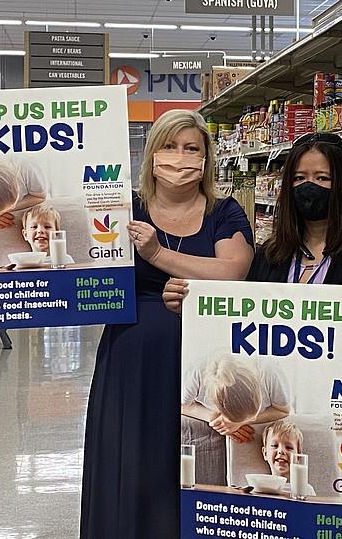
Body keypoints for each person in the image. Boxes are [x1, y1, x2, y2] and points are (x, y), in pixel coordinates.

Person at [164, 131, 342, 465]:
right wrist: (191, 309)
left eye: (322, 178)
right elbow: (239, 331)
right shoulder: (271, 256)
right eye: (299, 178)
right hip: (271, 432)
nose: (308, 186)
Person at [80, 109, 254, 539]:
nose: (180, 157)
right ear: (151, 154)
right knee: (130, 461)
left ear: (206, 159)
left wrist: (158, 254)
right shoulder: (125, 206)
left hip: (198, 369)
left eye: (191, 148)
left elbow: (234, 271)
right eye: (170, 146)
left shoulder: (223, 212)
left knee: (185, 465)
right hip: (131, 364)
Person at [181, 355, 290, 444]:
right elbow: (180, 405)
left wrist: (237, 424)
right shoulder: (197, 373)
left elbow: (283, 410)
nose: (254, 419)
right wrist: (214, 418)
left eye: (252, 416)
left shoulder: (269, 372)